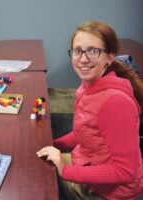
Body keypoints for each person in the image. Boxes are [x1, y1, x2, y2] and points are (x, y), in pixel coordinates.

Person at [37, 21, 143, 200]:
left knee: (40, 183)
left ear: (109, 57)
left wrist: (65, 169)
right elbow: (83, 133)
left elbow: (125, 172)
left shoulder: (115, 103)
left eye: (93, 51)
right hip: (87, 163)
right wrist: (54, 144)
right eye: (78, 51)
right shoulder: (88, 87)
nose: (83, 59)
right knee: (39, 167)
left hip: (109, 192)